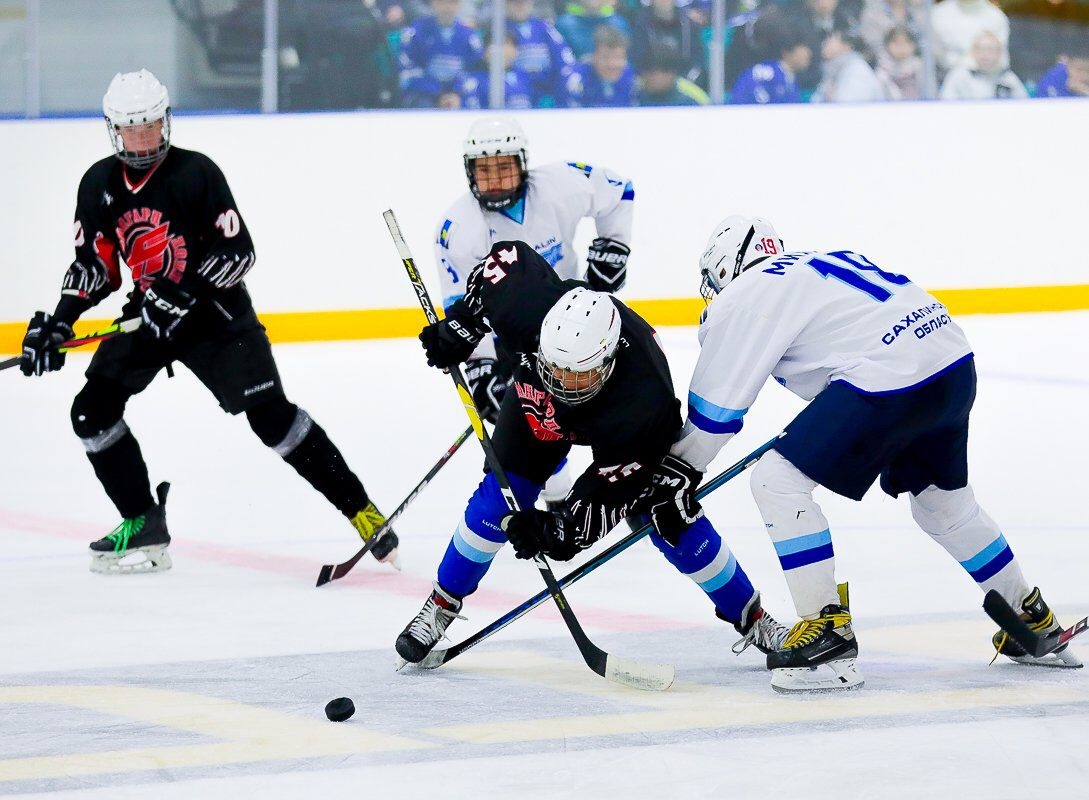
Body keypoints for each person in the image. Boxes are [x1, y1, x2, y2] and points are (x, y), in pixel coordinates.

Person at [641, 214, 1082, 691]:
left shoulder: (750, 292)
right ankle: (1028, 615)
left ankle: (827, 638)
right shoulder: (816, 263)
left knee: (777, 482)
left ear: (726, 269)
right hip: (951, 362)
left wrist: (679, 469)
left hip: (889, 379)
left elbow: (717, 410)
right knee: (945, 506)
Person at [18, 70, 399, 574]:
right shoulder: (98, 185)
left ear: (166, 122)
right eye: (131, 130)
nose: (142, 139)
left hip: (217, 316)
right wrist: (59, 322)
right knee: (91, 411)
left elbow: (239, 252)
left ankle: (363, 512)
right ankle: (142, 520)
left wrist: (182, 292)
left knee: (271, 417)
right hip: (151, 317)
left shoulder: (196, 173)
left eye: (151, 127)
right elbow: (97, 267)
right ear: (113, 130)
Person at [395, 240, 788, 666]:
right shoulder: (526, 302)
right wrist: (463, 323)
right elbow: (503, 259)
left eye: (576, 375)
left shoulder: (646, 407)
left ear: (608, 359)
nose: (563, 381)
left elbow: (595, 509)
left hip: (614, 428)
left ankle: (752, 616)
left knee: (664, 512)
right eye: (556, 366)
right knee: (498, 500)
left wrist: (553, 531)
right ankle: (442, 602)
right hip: (536, 403)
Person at [397, 0, 484, 108]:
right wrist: (437, 93)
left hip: (459, 94)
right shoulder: (415, 33)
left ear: (459, 4)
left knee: (472, 102)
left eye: (451, 2)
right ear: (432, 3)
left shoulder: (470, 37)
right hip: (423, 94)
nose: (446, 7)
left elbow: (475, 70)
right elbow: (407, 72)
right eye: (441, 2)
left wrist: (457, 92)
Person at [939, 30, 1027, 101]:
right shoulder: (959, 76)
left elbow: (1024, 105)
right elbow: (945, 105)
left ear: (999, 53)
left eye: (990, 49)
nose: (985, 54)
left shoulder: (1008, 78)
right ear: (972, 52)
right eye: (980, 49)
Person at [562, 26, 639, 107]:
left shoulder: (629, 76)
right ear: (594, 56)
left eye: (618, 57)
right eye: (606, 57)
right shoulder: (576, 80)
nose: (612, 64)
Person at [811, 29, 885, 103]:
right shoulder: (833, 70)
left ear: (848, 46)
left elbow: (848, 109)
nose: (825, 43)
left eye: (831, 39)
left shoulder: (858, 72)